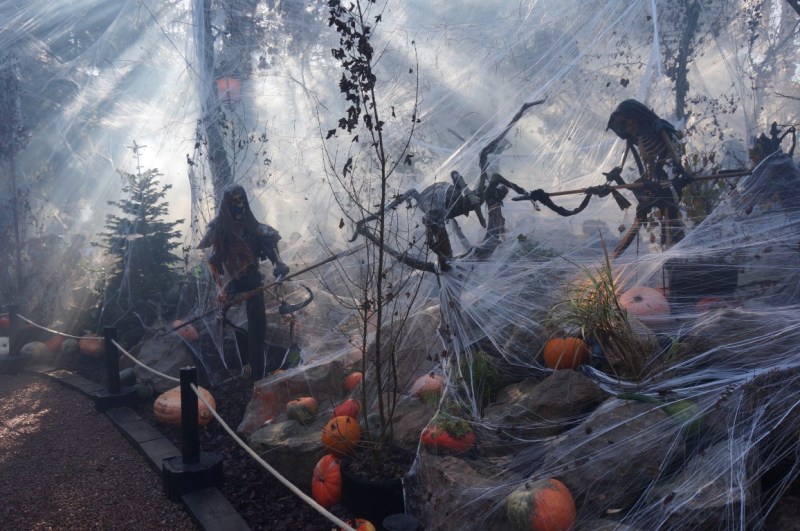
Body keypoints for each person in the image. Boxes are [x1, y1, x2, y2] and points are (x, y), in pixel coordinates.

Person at [198, 185, 289, 380]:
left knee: (257, 329)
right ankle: (241, 369)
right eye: (234, 201)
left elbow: (269, 240)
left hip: (254, 284)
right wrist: (220, 288)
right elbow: (212, 260)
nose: (239, 205)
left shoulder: (252, 226)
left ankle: (257, 372)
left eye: (242, 200)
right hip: (232, 289)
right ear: (227, 204)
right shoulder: (220, 228)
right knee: (235, 331)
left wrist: (279, 264)